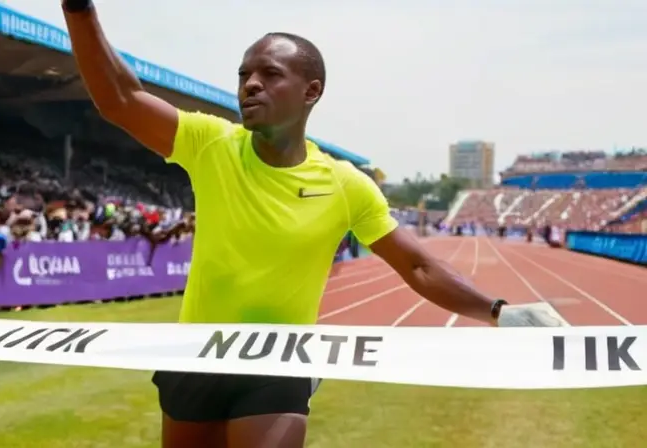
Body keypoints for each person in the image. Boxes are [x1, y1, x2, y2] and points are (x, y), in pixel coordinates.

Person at [62, 3, 560, 446]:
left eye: (269, 74)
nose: (250, 84)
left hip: (280, 363)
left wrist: (498, 312)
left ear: (311, 91)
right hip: (196, 357)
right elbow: (120, 101)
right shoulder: (209, 143)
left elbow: (417, 265)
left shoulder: (345, 184)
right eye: (243, 75)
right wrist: (79, 10)